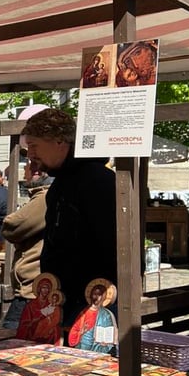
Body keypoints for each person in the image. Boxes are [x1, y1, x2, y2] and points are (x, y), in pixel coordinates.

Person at [21, 108, 117, 325]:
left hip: (91, 303)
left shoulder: (98, 181)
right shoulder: (60, 184)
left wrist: (100, 292)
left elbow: (110, 243)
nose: (31, 154)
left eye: (34, 145)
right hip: (63, 300)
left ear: (58, 142)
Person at [0, 162, 53, 330]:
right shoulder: (45, 194)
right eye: (30, 163)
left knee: (10, 344)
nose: (32, 168)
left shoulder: (46, 196)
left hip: (32, 291)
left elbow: (12, 226)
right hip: (37, 289)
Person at [68, 280, 118, 353]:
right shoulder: (84, 312)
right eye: (94, 293)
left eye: (100, 294)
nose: (96, 296)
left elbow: (110, 334)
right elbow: (74, 330)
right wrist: (81, 332)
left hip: (97, 348)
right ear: (91, 295)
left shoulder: (106, 314)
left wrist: (107, 342)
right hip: (81, 347)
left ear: (104, 297)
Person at [15, 273, 63, 344]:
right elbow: (24, 324)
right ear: (39, 288)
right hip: (32, 333)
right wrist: (34, 322)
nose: (45, 290)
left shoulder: (52, 305)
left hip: (47, 335)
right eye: (43, 288)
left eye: (47, 288)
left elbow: (55, 319)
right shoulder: (30, 305)